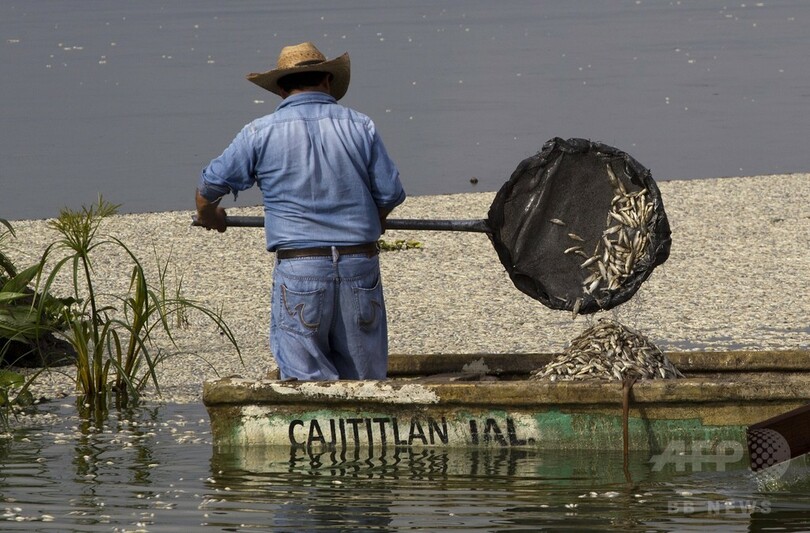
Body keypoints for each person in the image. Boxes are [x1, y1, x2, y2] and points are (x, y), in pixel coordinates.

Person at [195, 42, 406, 381]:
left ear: (281, 89)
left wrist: (211, 218)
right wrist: (376, 220)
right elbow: (390, 193)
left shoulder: (259, 132)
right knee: (365, 379)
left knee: (306, 380)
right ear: (327, 81)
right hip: (359, 264)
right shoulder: (360, 125)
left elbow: (208, 190)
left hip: (300, 267)